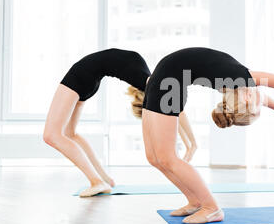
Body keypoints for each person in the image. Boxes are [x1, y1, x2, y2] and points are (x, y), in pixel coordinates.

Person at [140, 47, 274, 224]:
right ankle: (195, 201)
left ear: (248, 97)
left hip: (168, 83)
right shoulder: (237, 80)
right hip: (162, 79)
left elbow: (264, 96)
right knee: (154, 158)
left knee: (166, 157)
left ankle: (211, 208)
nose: (260, 96)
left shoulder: (234, 82)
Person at [43, 48, 197, 198]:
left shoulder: (145, 78)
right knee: (69, 134)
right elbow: (174, 108)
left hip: (83, 77)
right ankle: (104, 180)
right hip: (87, 79)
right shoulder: (146, 80)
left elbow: (172, 108)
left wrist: (190, 143)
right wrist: (190, 143)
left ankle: (97, 181)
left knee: (51, 135)